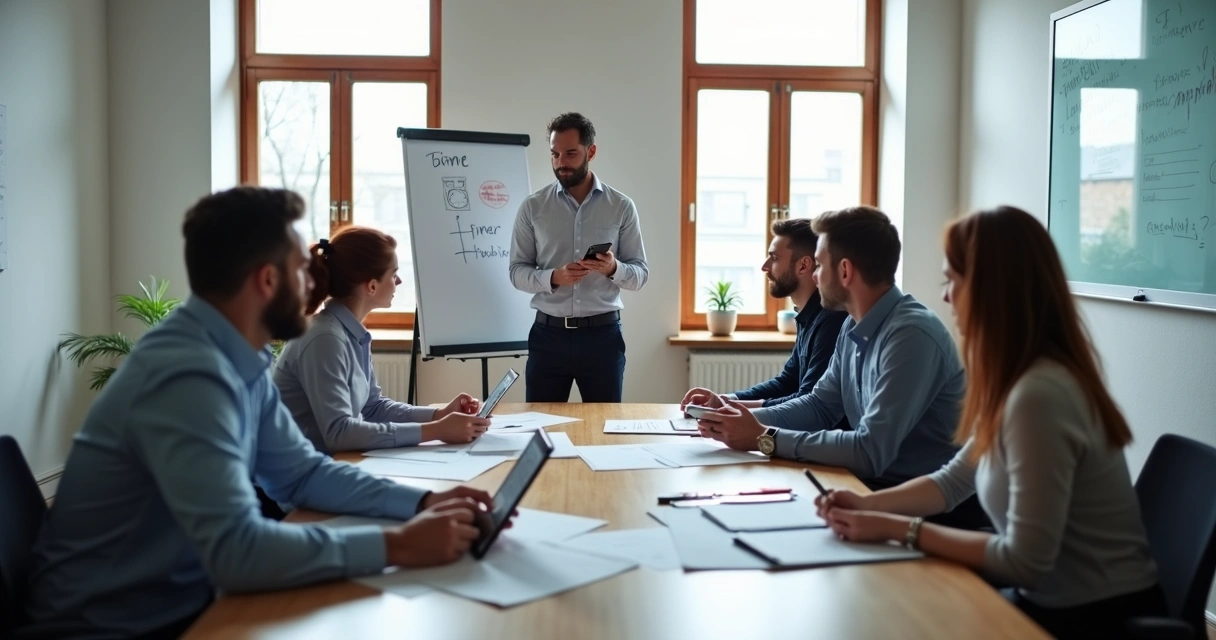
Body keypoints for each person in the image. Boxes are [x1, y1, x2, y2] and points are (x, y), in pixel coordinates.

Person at [20, 187, 499, 640]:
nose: (316, 281)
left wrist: (422, 504)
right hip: (115, 625)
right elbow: (237, 553)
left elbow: (305, 475)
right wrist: (398, 546)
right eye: (300, 269)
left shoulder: (238, 359)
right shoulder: (188, 375)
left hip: (181, 599)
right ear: (267, 281)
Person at [812, 206, 1166, 640]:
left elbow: (1024, 562)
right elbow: (951, 483)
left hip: (1096, 617)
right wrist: (867, 505)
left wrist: (897, 529)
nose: (945, 296)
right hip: (1055, 601)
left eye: (953, 281)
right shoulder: (1019, 378)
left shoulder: (1039, 395)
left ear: (993, 290)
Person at [694, 205, 989, 530]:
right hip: (870, 488)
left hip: (929, 509)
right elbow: (819, 405)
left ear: (845, 271)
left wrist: (765, 437)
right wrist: (734, 421)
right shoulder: (852, 325)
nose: (815, 276)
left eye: (819, 265)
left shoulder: (911, 335)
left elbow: (869, 450)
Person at [273, 225, 490, 454]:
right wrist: (437, 430)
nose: (398, 282)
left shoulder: (350, 333)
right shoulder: (324, 339)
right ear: (372, 286)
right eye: (393, 274)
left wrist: (440, 415)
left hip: (328, 464)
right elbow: (339, 432)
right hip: (293, 479)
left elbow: (373, 407)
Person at [509, 112, 649, 402]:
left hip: (603, 338)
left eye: (570, 153)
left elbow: (640, 275)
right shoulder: (532, 207)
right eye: (555, 154)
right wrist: (552, 277)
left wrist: (613, 268)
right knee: (541, 426)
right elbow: (516, 272)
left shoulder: (621, 207)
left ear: (591, 151)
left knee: (603, 430)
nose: (561, 163)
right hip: (548, 337)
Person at [681, 217, 847, 410]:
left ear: (803, 265)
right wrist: (725, 400)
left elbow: (808, 401)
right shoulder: (808, 315)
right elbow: (786, 383)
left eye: (775, 258)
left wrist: (732, 408)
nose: (765, 267)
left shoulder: (832, 319)